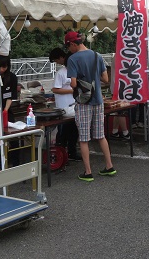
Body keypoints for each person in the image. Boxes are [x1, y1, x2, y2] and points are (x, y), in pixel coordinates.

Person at [65, 31, 116, 182]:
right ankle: (109, 166)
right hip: (98, 100)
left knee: (84, 139)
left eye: (68, 47)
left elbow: (73, 83)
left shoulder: (73, 59)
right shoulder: (97, 55)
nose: (69, 50)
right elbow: (106, 79)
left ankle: (88, 172)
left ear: (73, 44)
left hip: (83, 102)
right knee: (101, 135)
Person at [49, 48, 80, 160]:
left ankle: (72, 152)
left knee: (73, 130)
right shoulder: (60, 73)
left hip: (73, 105)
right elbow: (55, 89)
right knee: (63, 131)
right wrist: (72, 91)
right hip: (63, 107)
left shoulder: (75, 72)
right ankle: (60, 154)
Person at [0, 55, 20, 171]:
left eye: (4, 67)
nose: (2, 69)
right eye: (0, 67)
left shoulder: (12, 77)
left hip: (6, 110)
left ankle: (16, 163)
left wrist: (5, 111)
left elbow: (11, 96)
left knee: (13, 136)